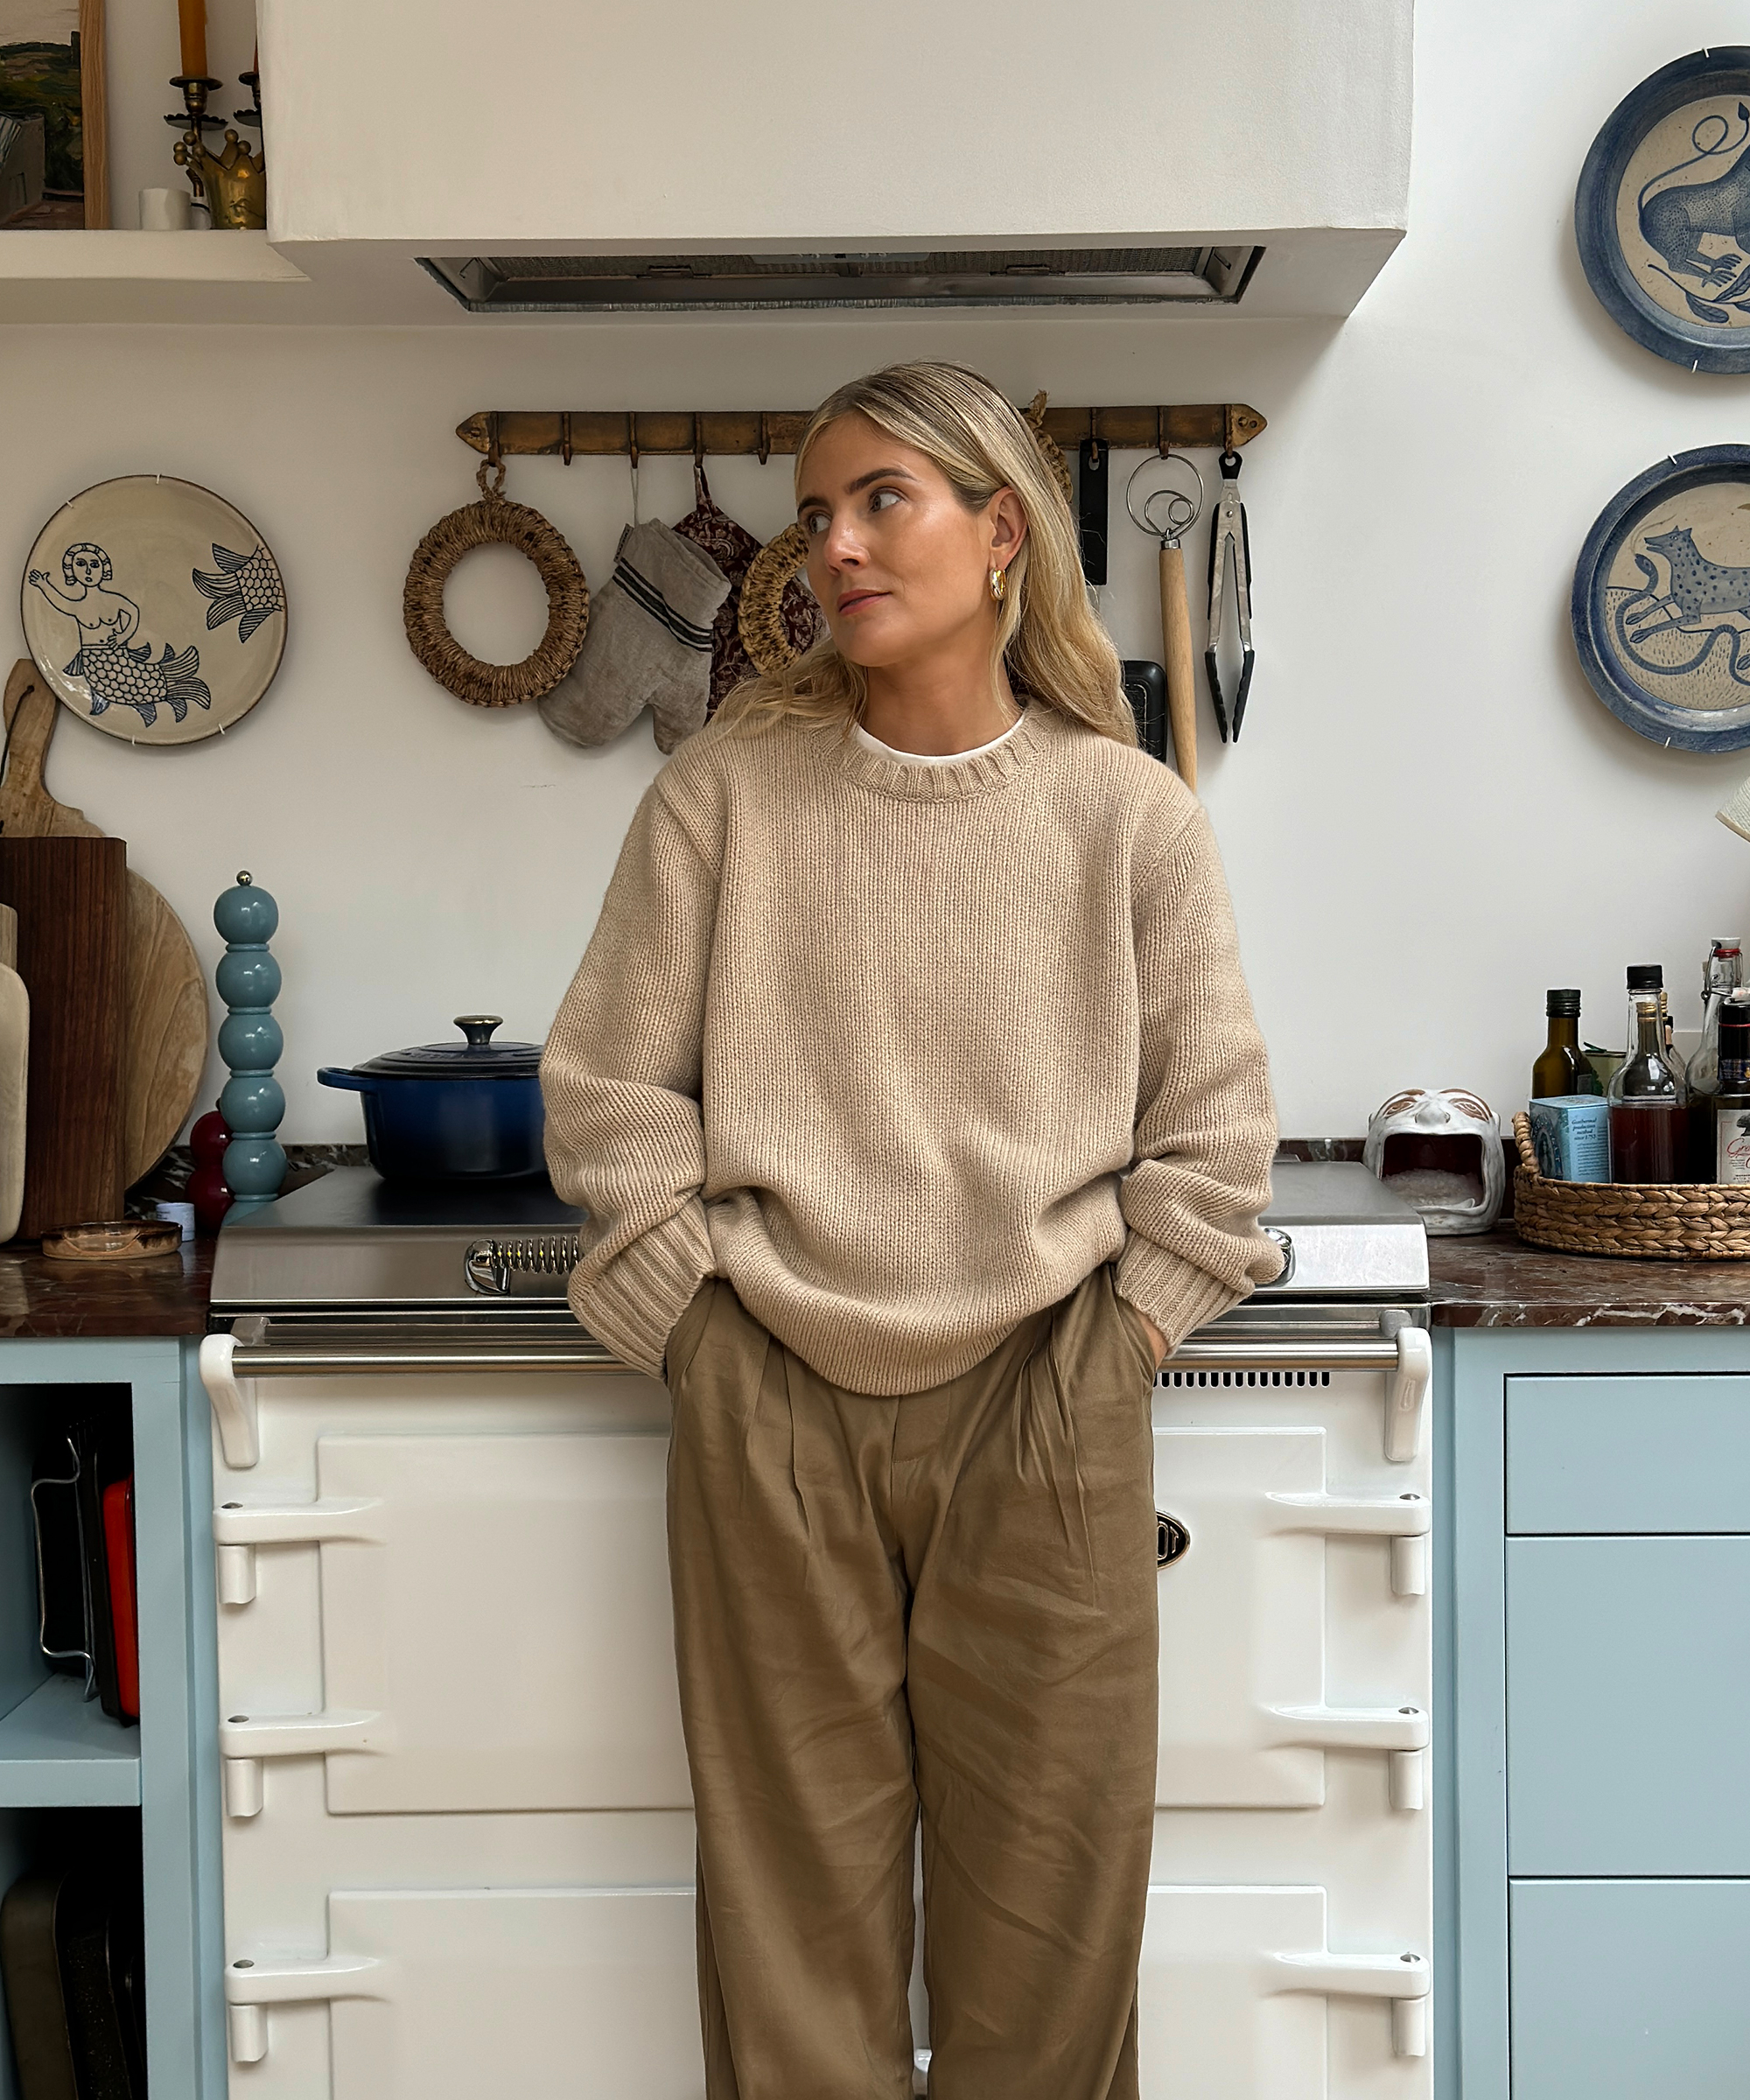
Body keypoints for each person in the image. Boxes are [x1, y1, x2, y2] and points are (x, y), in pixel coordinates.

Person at [542, 360, 1281, 2100]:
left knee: (1051, 1939)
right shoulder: (725, 796)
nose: (839, 545)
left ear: (1000, 530)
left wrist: (1118, 1345)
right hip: (768, 1397)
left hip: (1050, 1390)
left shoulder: (1130, 818)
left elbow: (1215, 1135)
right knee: (791, 1941)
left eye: (886, 498)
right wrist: (700, 1333)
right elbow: (605, 1093)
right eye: (821, 511)